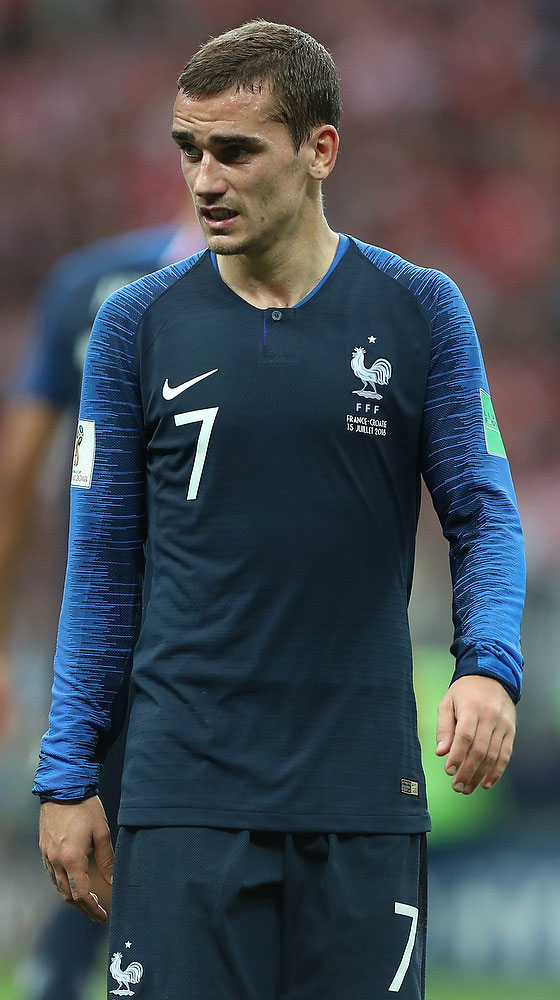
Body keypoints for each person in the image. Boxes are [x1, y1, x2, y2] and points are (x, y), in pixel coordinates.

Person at [34, 20, 525, 1000]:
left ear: (319, 149)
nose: (204, 179)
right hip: (182, 793)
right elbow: (101, 566)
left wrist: (488, 666)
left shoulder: (419, 310)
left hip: (359, 794)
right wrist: (66, 773)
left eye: (235, 151)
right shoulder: (136, 325)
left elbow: (483, 514)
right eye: (189, 150)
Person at [0, 211, 201, 1000]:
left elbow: (18, 476)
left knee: (114, 812)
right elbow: (17, 477)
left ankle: (60, 964)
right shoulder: (300, 284)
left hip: (117, 614)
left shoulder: (85, 283)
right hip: (184, 614)